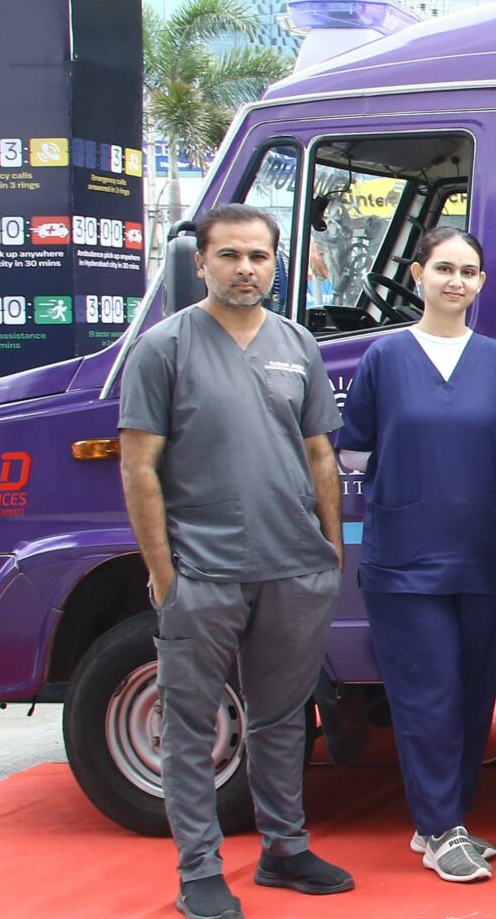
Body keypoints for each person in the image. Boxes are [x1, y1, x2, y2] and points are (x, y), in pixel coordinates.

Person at [115, 204, 353, 919]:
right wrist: (165, 575)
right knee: (190, 726)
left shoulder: (296, 343)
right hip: (203, 571)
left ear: (276, 264)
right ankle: (198, 871)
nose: (245, 269)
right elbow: (138, 466)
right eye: (230, 256)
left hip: (293, 567)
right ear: (201, 264)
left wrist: (330, 550)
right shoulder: (164, 348)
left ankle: (284, 849)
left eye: (258, 256)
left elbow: (320, 452)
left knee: (282, 719)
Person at [335, 228, 496, 882]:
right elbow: (354, 451)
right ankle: (441, 826)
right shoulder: (384, 357)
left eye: (468, 271)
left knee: (473, 695)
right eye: (443, 268)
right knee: (429, 695)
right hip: (406, 557)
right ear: (417, 274)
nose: (456, 281)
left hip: (482, 551)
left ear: (482, 283)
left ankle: (446, 822)